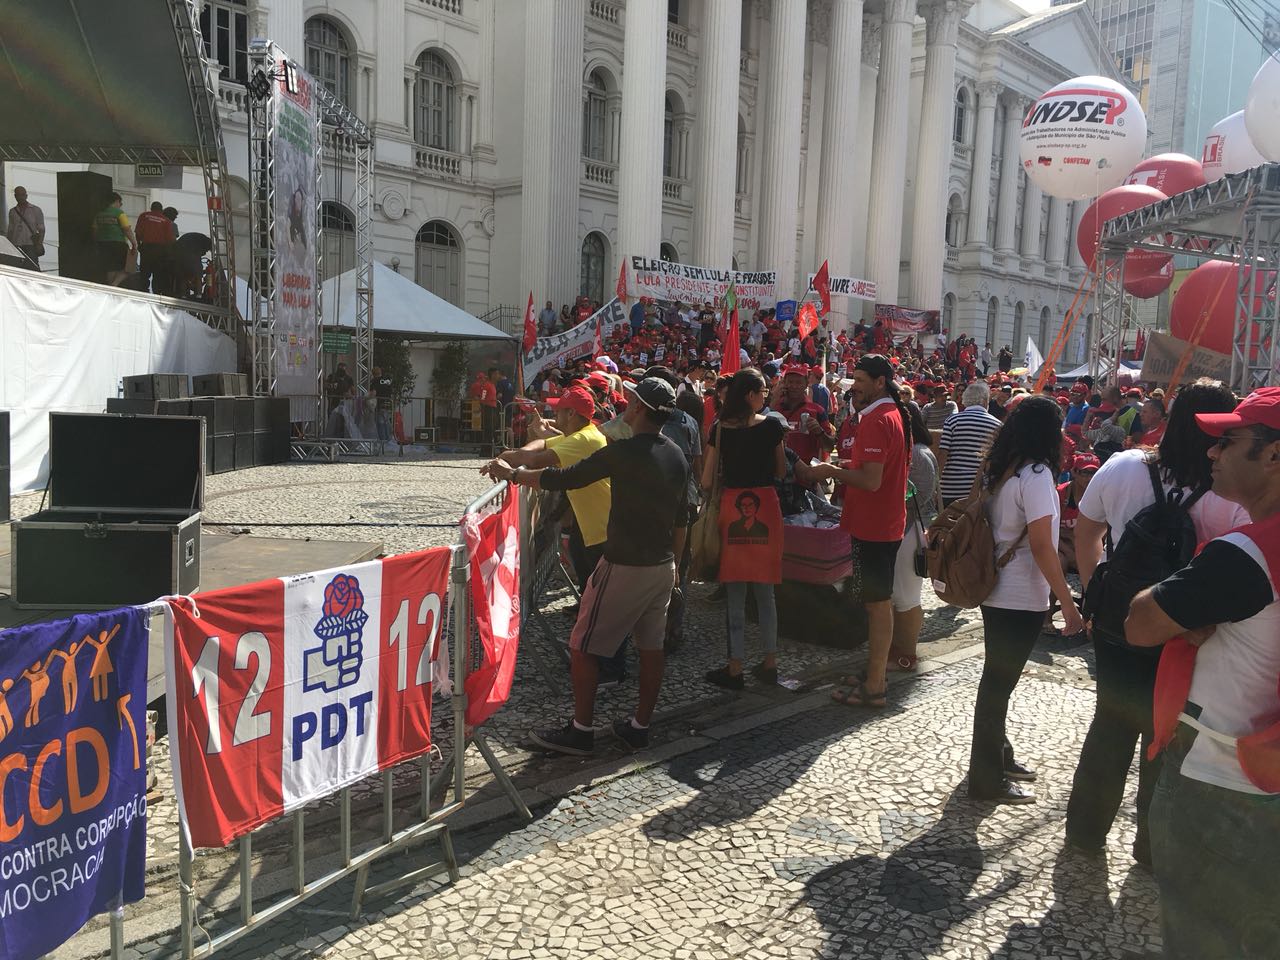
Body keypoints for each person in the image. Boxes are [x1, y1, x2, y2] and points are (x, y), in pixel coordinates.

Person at [1124, 386, 1280, 960]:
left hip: (1219, 781)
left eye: (1229, 441)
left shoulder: (1248, 554)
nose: (1211, 452)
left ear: (1273, 455)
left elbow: (1140, 621)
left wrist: (1187, 621)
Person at [1065, 378, 1248, 863]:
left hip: (1116, 620)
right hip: (1182, 634)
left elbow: (1087, 532)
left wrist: (1096, 590)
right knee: (1166, 735)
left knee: (1110, 723)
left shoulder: (1126, 465)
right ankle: (1152, 845)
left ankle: (1084, 832)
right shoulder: (1229, 495)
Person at [488, 378, 688, 755]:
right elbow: (682, 517)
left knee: (581, 645)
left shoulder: (625, 452)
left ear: (639, 409)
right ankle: (639, 726)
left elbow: (565, 477)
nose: (625, 406)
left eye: (631, 401)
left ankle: (581, 730)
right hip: (661, 565)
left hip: (624, 563)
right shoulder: (675, 453)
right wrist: (675, 564)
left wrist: (513, 475)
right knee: (650, 648)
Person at [968, 396, 1083, 804]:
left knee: (996, 682)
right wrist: (1066, 601)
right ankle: (985, 779)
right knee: (998, 686)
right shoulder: (1036, 476)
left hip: (996, 589)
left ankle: (1000, 757)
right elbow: (1041, 545)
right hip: (1018, 595)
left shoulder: (1003, 470)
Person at [805, 355, 910, 709]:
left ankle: (876, 685)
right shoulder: (890, 414)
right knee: (875, 603)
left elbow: (870, 479)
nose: (855, 385)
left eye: (861, 379)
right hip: (880, 522)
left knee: (878, 605)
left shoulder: (877, 419)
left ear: (880, 382)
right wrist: (843, 466)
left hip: (876, 526)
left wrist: (831, 471)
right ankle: (873, 673)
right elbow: (871, 467)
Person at [701, 368, 787, 690]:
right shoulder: (773, 427)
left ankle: (735, 666)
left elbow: (707, 479)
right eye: (763, 390)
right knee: (766, 593)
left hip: (733, 506)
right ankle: (770, 662)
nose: (766, 395)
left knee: (735, 592)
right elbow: (780, 470)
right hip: (765, 507)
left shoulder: (720, 428)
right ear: (751, 395)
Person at [888, 403, 940, 673]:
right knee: (900, 595)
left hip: (911, 530)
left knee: (906, 597)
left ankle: (907, 654)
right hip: (907, 529)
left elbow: (917, 497)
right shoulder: (914, 451)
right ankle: (899, 650)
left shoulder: (918, 454)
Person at [938, 381, 1001, 506]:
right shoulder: (997, 425)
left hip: (949, 486)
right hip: (976, 489)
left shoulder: (952, 420)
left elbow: (943, 454)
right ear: (985, 401)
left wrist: (936, 484)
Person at [774, 365, 835, 463]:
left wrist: (819, 432)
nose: (794, 386)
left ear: (806, 384)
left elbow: (829, 447)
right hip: (780, 471)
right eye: (790, 382)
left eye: (798, 382)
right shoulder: (775, 410)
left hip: (806, 473)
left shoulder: (817, 411)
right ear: (784, 383)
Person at [92, 192, 136, 286]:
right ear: (116, 201)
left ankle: (111, 288)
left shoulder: (99, 214)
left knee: (110, 268)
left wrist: (97, 243)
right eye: (120, 203)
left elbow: (95, 231)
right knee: (128, 268)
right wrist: (134, 243)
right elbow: (126, 229)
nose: (121, 205)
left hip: (103, 244)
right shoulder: (119, 213)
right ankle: (114, 284)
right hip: (118, 244)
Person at [135, 201, 176, 294]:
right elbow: (169, 239)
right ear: (161, 210)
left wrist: (139, 245)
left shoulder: (143, 216)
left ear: (151, 208)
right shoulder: (166, 220)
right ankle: (156, 293)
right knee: (157, 273)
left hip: (146, 247)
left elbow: (137, 232)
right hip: (160, 250)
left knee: (144, 272)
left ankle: (143, 291)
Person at [6, 186, 45, 271]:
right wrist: (9, 247)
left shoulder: (36, 210)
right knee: (16, 270)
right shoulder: (12, 211)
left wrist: (39, 244)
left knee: (33, 269)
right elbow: (10, 230)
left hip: (30, 245)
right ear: (15, 196)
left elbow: (41, 229)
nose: (21, 197)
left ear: (26, 196)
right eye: (18, 195)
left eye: (22, 195)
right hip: (16, 246)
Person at [371, 365, 394, 441]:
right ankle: (389, 440)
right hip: (389, 404)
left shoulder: (375, 381)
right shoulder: (387, 380)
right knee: (387, 423)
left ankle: (383, 443)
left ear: (373, 374)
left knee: (380, 424)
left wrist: (366, 398)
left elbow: (373, 393)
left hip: (380, 404)